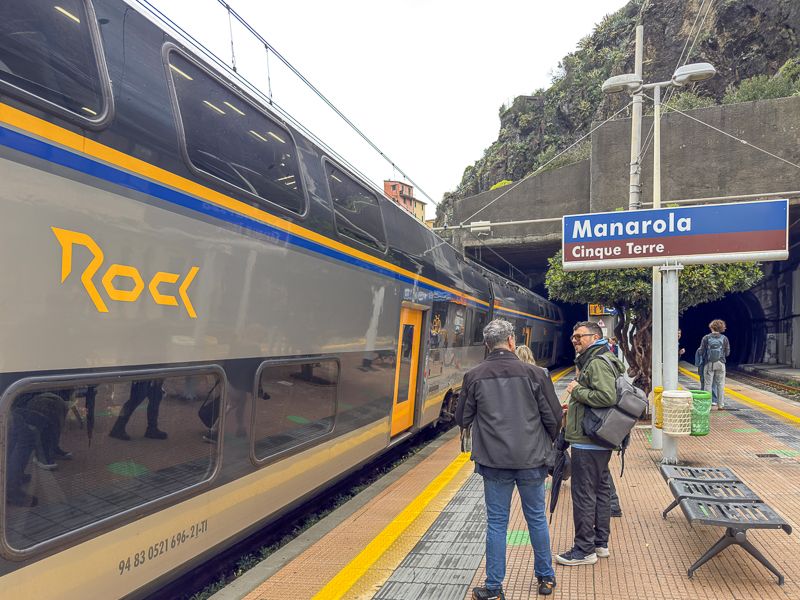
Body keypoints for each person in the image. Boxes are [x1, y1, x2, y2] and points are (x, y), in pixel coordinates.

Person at [456, 319, 562, 599]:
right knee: (536, 518)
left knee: (497, 523)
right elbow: (554, 418)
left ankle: (493, 588)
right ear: (512, 341)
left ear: (487, 345)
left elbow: (463, 418)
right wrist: (544, 442)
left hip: (494, 462)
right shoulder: (536, 373)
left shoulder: (474, 376)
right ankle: (546, 578)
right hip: (532, 459)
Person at [557, 321, 625, 566]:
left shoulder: (596, 363)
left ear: (595, 336)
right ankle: (600, 543)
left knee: (584, 494)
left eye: (579, 337)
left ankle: (584, 549)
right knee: (601, 489)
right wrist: (574, 406)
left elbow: (606, 396)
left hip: (588, 440)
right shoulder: (600, 358)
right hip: (596, 438)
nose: (575, 341)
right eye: (573, 337)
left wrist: (576, 391)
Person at [700, 319, 730, 409]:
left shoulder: (706, 338)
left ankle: (707, 405)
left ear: (711, 327)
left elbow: (702, 351)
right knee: (720, 384)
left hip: (709, 363)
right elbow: (727, 352)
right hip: (720, 363)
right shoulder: (724, 338)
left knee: (708, 384)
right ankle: (721, 405)